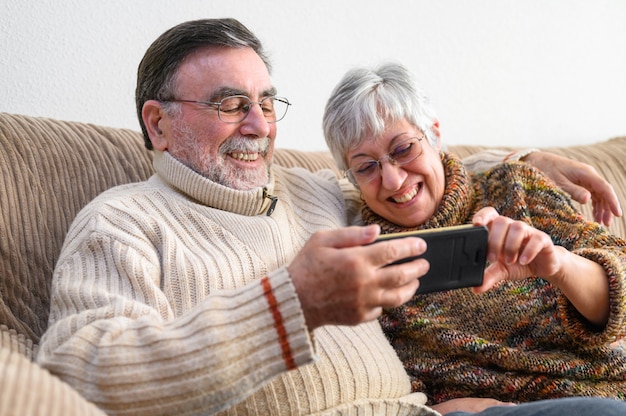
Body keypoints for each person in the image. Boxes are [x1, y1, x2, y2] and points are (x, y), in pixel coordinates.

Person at [36, 18, 625, 416]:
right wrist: (289, 304)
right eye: (231, 104)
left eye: (267, 103)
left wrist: (524, 159)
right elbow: (73, 373)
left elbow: (410, 174)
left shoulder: (314, 192)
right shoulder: (122, 222)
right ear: (159, 125)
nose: (260, 126)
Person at [322, 62, 626, 407]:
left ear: (434, 136)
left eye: (404, 149)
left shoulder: (515, 189)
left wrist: (559, 266)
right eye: (366, 167)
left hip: (608, 389)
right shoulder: (371, 266)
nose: (392, 180)